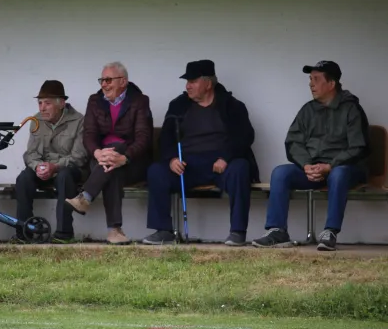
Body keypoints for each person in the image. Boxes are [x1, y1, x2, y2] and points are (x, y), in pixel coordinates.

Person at [253, 60, 369, 251]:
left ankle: (330, 232)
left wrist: (330, 166)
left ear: (331, 84)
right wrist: (306, 165)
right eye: (310, 79)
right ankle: (277, 231)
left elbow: (359, 147)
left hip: (344, 169)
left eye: (316, 79)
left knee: (338, 174)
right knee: (280, 173)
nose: (310, 84)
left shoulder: (351, 109)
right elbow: (293, 142)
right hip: (313, 170)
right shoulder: (308, 110)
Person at [143, 59, 259, 246]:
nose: (188, 86)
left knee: (241, 168)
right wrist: (172, 158)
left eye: (193, 81)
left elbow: (245, 136)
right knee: (156, 171)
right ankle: (163, 230)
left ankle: (237, 232)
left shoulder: (232, 105)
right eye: (187, 81)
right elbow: (165, 138)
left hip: (220, 164)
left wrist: (226, 157)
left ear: (208, 84)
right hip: (187, 166)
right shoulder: (178, 105)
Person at [65, 61, 153, 245]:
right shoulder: (95, 101)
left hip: (132, 162)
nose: (103, 84)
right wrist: (97, 153)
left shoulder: (139, 101)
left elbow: (143, 137)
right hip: (100, 161)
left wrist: (125, 157)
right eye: (101, 80)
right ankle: (114, 231)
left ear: (123, 81)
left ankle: (86, 197)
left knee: (116, 152)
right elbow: (88, 134)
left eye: (108, 80)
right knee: (111, 167)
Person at [14, 80, 88, 243]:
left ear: (61, 103)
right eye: (40, 103)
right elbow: (30, 154)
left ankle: (64, 233)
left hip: (70, 169)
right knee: (24, 178)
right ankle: (25, 231)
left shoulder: (79, 121)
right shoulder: (36, 120)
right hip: (44, 170)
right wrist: (38, 166)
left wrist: (55, 167)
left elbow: (79, 157)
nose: (42, 108)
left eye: (47, 103)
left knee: (64, 176)